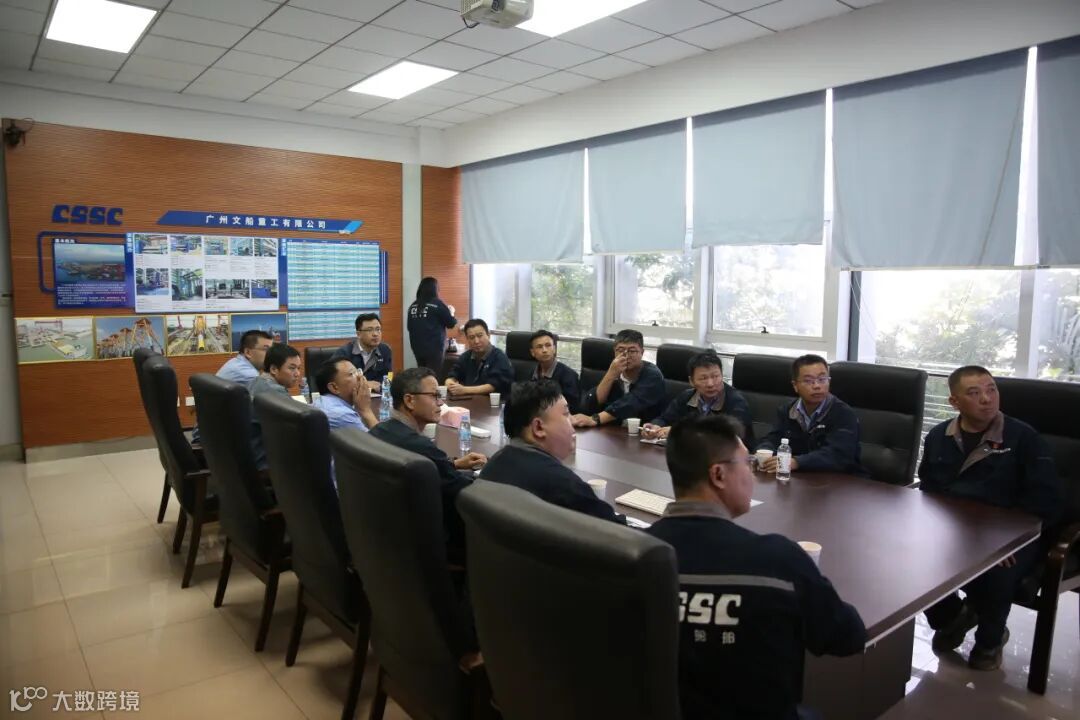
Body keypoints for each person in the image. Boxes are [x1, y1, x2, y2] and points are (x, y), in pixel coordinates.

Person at [646, 414, 867, 720]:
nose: (752, 476)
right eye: (747, 464)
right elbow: (848, 636)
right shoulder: (778, 561)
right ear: (719, 475)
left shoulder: (633, 555)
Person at [918, 365, 1061, 671]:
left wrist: (1006, 540)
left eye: (991, 389)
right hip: (955, 529)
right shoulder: (939, 436)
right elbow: (929, 488)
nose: (986, 398)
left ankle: (990, 640)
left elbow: (1045, 499)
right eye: (974, 393)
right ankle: (953, 617)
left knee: (996, 569)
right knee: (910, 555)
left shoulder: (1023, 438)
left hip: (1013, 532)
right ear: (954, 402)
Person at [369, 367, 487, 561]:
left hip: (385, 535)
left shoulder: (379, 431)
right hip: (429, 543)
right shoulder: (420, 446)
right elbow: (466, 491)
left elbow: (430, 470)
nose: (441, 402)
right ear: (409, 400)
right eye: (434, 396)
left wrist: (453, 464)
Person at [480, 380, 625, 524]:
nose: (573, 420)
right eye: (566, 414)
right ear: (538, 428)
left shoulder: (492, 466)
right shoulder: (565, 486)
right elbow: (621, 532)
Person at [757, 354, 865, 475]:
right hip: (801, 478)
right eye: (808, 381)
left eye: (822, 379)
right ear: (795, 386)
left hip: (842, 480)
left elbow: (838, 455)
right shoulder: (787, 411)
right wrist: (764, 452)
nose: (817, 386)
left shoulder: (843, 414)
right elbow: (772, 439)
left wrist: (797, 462)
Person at [642, 351, 754, 447]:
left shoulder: (735, 402)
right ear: (691, 381)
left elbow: (730, 437)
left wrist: (679, 432)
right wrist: (654, 426)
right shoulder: (687, 397)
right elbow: (665, 419)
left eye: (715, 376)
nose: (710, 384)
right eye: (703, 378)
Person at [571, 329, 666, 428]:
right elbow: (592, 404)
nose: (626, 355)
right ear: (614, 352)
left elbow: (630, 403)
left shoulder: (653, 375)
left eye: (632, 351)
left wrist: (595, 419)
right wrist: (611, 374)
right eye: (620, 350)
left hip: (645, 431)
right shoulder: (614, 369)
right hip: (612, 430)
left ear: (642, 352)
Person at [192, 329, 273, 442]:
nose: (271, 355)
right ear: (248, 352)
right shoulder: (247, 375)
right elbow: (273, 405)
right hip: (216, 438)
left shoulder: (236, 363)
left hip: (208, 432)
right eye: (266, 349)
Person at [249, 343, 302, 470]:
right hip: (265, 461)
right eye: (292, 368)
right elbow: (298, 426)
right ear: (273, 369)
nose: (297, 374)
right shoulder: (275, 392)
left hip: (251, 454)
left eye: (298, 368)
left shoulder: (257, 381)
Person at [445, 319, 514, 398]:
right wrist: (450, 384)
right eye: (471, 337)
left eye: (480, 336)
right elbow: (452, 376)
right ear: (467, 339)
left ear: (488, 335)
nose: (476, 341)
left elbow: (494, 386)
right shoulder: (466, 356)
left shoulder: (499, 357)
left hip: (494, 402)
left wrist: (464, 390)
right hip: (470, 401)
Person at [312, 359, 378, 432]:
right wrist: (366, 410)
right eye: (352, 374)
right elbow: (380, 438)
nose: (360, 377)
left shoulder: (321, 401)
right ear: (334, 387)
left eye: (358, 371)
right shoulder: (343, 415)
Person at [408, 276, 457, 373]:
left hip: (417, 347)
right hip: (434, 348)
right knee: (433, 375)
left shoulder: (413, 306)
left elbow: (409, 327)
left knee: (422, 374)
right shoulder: (437, 304)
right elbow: (451, 323)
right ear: (435, 289)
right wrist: (451, 312)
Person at [528, 329, 582, 414]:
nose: (544, 350)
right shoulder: (531, 373)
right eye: (539, 347)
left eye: (548, 345)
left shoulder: (569, 376)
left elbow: (572, 409)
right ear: (532, 352)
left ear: (554, 349)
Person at [332, 313, 392, 382]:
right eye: (369, 330)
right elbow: (337, 381)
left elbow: (389, 375)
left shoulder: (385, 350)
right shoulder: (344, 353)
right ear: (359, 334)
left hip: (377, 389)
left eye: (378, 329)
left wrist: (384, 385)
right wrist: (366, 384)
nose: (375, 334)